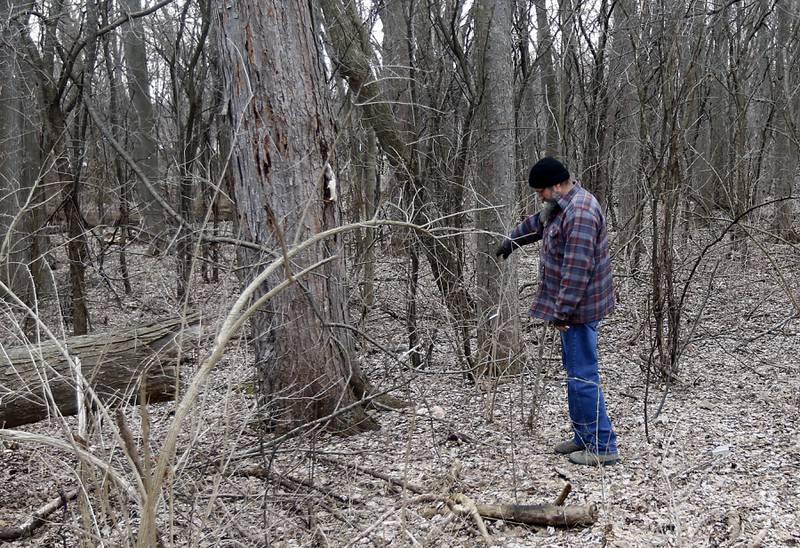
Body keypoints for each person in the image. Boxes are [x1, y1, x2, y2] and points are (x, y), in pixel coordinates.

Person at [496, 156, 618, 466]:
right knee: (576, 373)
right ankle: (584, 437)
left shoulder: (580, 214)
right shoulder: (561, 206)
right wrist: (511, 241)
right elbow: (538, 222)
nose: (540, 197)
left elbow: (577, 270)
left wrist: (561, 313)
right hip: (573, 309)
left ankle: (602, 445)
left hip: (578, 310)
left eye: (541, 192)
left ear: (556, 185)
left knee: (583, 376)